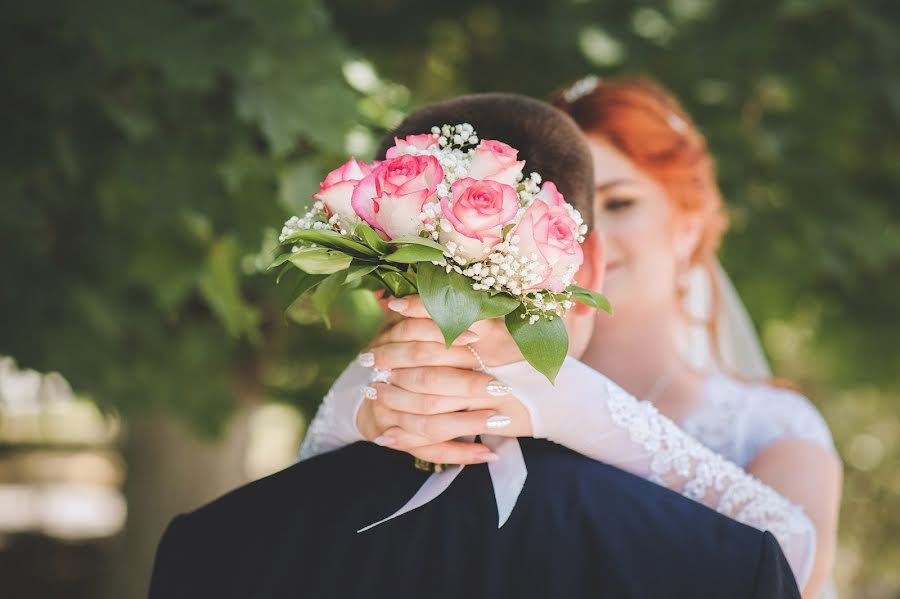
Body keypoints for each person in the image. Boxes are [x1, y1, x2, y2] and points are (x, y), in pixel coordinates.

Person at [148, 93, 802, 599]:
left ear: (382, 284)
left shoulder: (210, 544)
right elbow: (796, 546)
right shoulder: (725, 561)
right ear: (588, 266)